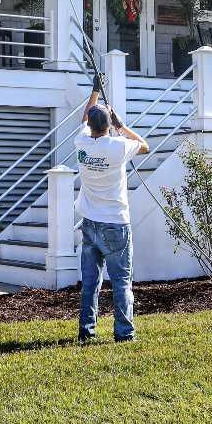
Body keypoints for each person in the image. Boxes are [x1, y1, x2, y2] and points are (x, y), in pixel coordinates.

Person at [73, 87, 150, 343]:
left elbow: (85, 117)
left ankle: (87, 332)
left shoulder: (81, 142)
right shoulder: (118, 146)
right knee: (121, 282)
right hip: (116, 223)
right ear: (108, 125)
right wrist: (121, 125)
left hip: (89, 224)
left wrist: (95, 91)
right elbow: (144, 146)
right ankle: (124, 333)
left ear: (92, 126)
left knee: (90, 282)